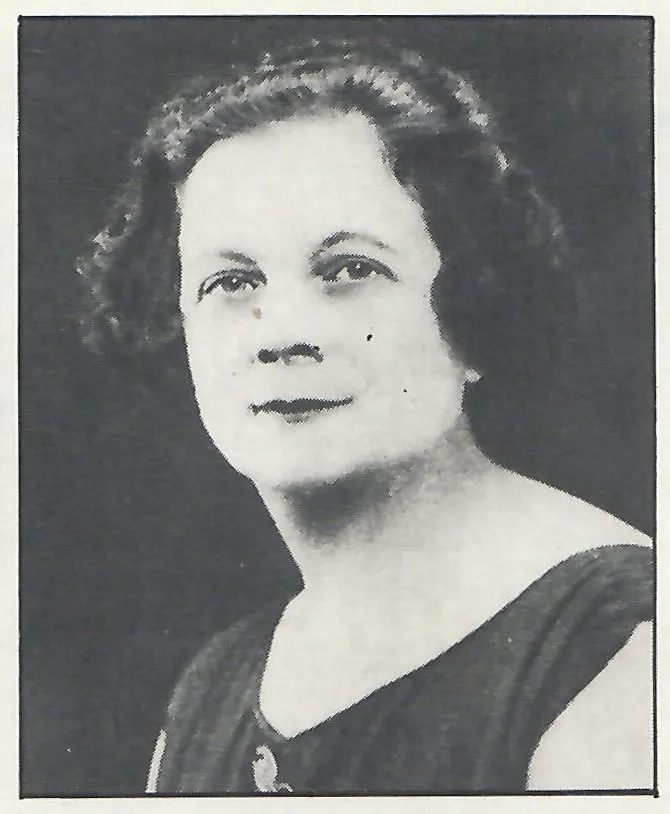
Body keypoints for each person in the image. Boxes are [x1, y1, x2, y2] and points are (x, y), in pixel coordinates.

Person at [77, 40, 653, 794]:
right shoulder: (210, 694)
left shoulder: (616, 642)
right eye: (232, 282)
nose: (281, 334)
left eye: (350, 270)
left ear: (472, 311)